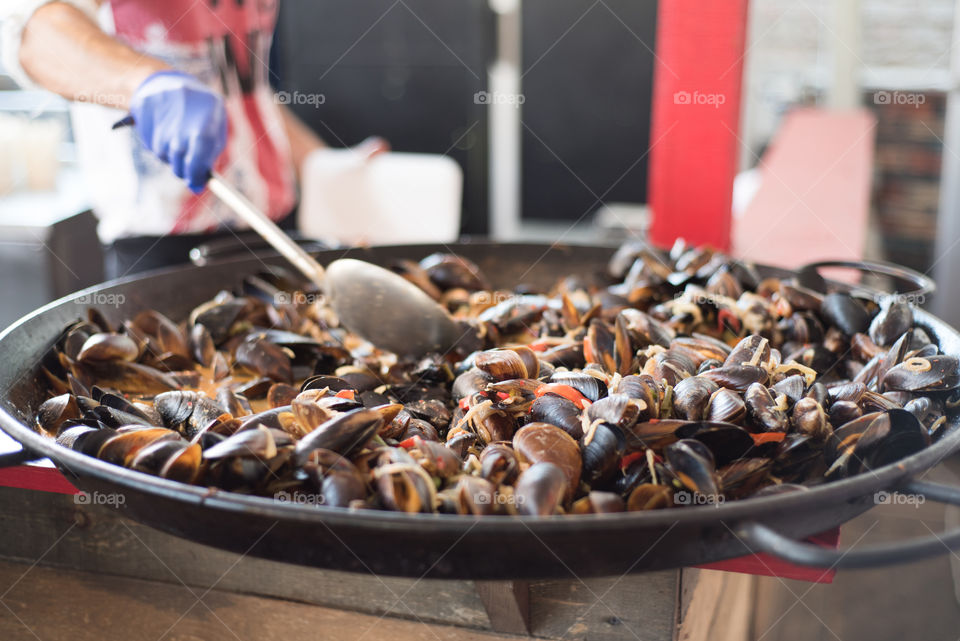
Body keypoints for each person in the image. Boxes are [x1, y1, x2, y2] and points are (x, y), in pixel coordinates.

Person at [1, 1, 386, 277]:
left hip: (278, 229)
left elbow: (241, 90)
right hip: (164, 247)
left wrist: (321, 165)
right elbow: (31, 27)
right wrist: (146, 84)